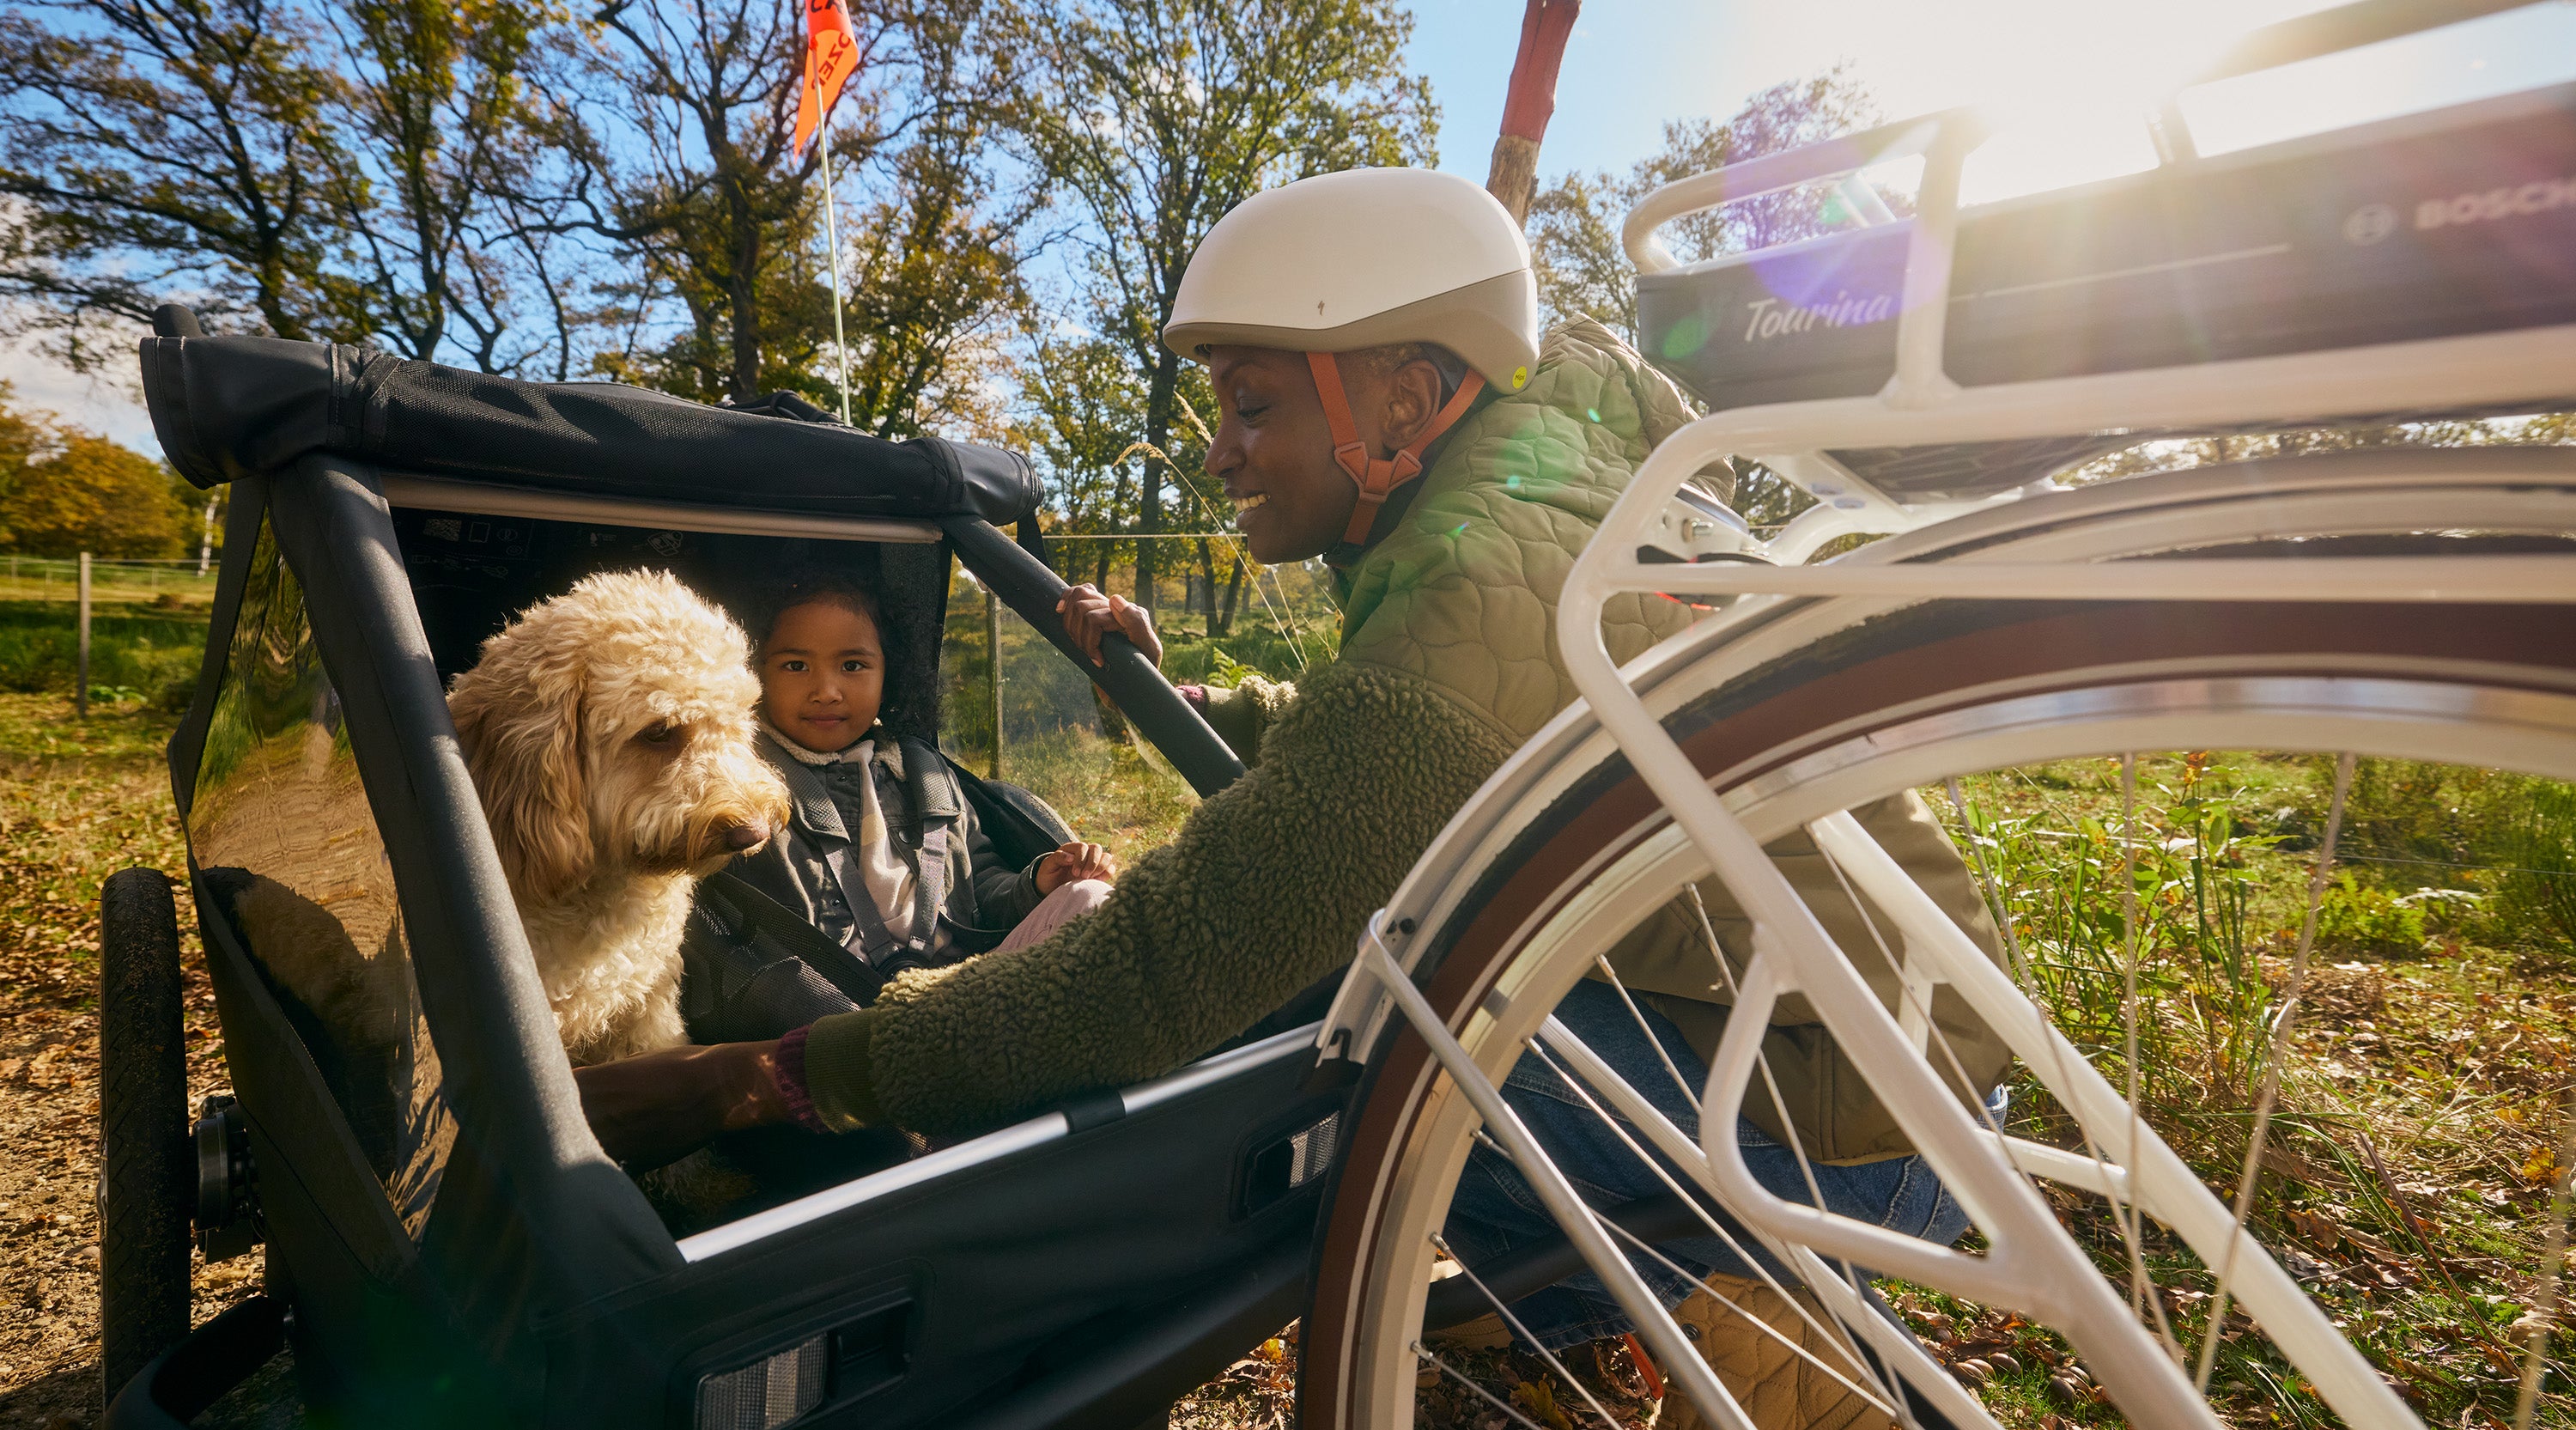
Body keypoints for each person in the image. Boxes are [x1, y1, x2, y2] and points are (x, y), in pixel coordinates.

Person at [576, 167, 2009, 1426]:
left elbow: (1142, 983)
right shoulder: (1545, 493)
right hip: (1906, 1048)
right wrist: (1190, 702)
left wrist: (760, 1077)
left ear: (1404, 391)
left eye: (1254, 402)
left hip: (1836, 1130)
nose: (1216, 451)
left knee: (1348, 1014)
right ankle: (1592, 1298)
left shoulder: (1463, 598)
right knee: (1392, 986)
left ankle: (1744, 1329)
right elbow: (1419, 737)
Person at [725, 568, 1116, 975]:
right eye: (795, 666)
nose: (827, 691)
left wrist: (1037, 885)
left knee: (1090, 898)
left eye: (853, 666)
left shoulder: (924, 772)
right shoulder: (740, 780)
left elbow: (977, 885)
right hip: (831, 1009)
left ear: (889, 674)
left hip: (963, 989)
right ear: (753, 673)